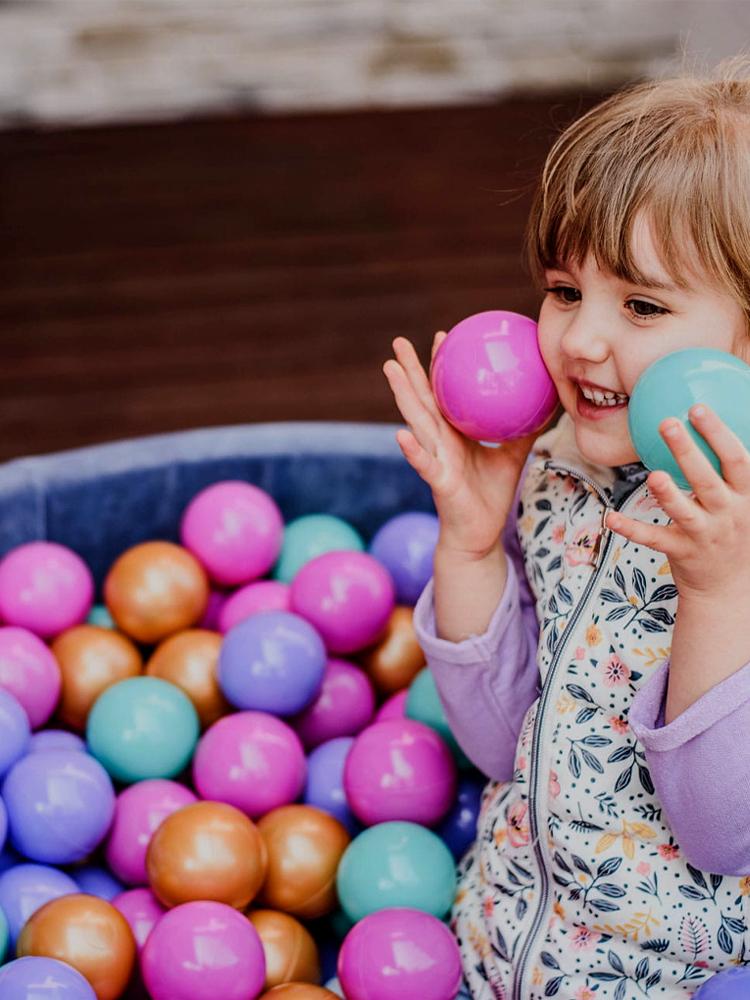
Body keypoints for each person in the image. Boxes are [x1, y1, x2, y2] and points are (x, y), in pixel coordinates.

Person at [383, 65, 750, 999]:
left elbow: (720, 831)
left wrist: (718, 588)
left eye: (642, 305)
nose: (581, 340)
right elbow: (502, 739)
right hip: (496, 948)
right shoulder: (559, 470)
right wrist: (472, 542)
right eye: (562, 289)